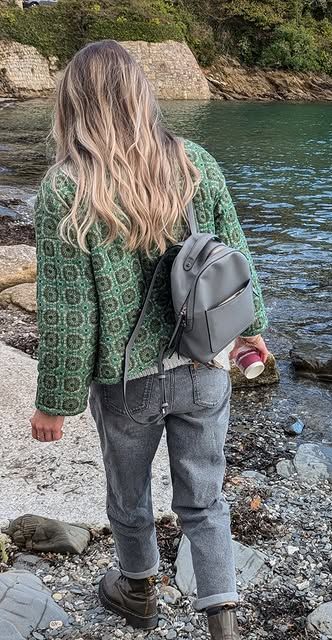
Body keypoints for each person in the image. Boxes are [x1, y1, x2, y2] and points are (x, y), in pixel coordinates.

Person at [28, 40, 269, 640]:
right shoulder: (195, 163)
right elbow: (235, 262)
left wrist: (54, 401)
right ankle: (223, 624)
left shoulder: (65, 190)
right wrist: (251, 335)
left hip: (126, 382)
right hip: (203, 365)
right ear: (142, 96)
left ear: (73, 104)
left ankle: (136, 591)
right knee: (204, 499)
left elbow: (67, 312)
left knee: (128, 495)